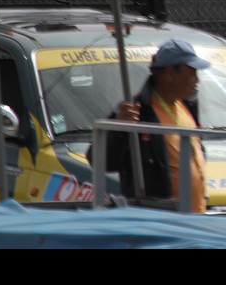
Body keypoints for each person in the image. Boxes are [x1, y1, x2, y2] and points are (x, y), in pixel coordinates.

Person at [88, 39, 211, 212]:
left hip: (196, 219)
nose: (196, 80)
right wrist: (119, 129)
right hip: (162, 221)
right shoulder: (137, 111)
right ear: (170, 73)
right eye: (191, 73)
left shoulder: (187, 106)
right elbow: (100, 161)